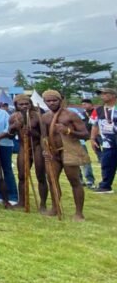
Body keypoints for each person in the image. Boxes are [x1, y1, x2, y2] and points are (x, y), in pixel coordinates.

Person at [41, 90, 88, 220]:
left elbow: (85, 134)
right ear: (44, 102)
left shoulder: (71, 115)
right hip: (53, 152)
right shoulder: (45, 117)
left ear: (60, 100)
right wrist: (45, 149)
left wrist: (67, 130)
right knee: (52, 180)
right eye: (48, 101)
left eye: (54, 100)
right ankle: (55, 208)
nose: (51, 103)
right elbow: (43, 136)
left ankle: (79, 213)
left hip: (69, 150)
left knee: (74, 181)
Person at [8, 94, 47, 208]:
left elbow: (43, 135)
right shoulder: (14, 117)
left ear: (31, 104)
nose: (24, 106)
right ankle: (22, 202)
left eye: (27, 104)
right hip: (23, 147)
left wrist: (32, 133)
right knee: (21, 176)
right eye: (21, 104)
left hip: (37, 147)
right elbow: (10, 136)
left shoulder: (38, 116)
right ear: (16, 105)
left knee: (41, 176)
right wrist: (13, 128)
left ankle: (43, 204)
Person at [91, 88, 116, 193]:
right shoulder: (98, 110)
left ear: (114, 95)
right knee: (106, 164)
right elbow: (94, 125)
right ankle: (105, 186)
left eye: (105, 93)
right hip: (107, 142)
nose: (102, 95)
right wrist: (92, 138)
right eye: (101, 94)